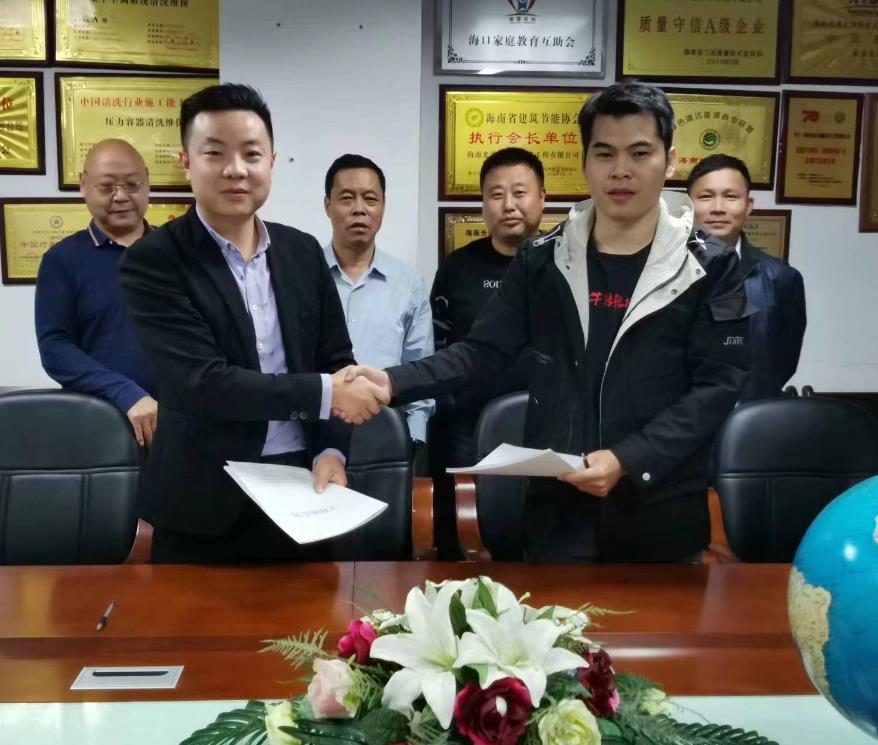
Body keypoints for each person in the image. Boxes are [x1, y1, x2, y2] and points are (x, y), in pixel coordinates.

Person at [344, 81, 751, 563]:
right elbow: (481, 351)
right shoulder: (544, 259)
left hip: (659, 510)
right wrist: (393, 381)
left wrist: (629, 458)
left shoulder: (710, 267)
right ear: (585, 162)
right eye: (604, 153)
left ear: (671, 161)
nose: (620, 170)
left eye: (640, 153)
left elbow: (717, 388)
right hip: (558, 510)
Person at [119, 84, 388, 563]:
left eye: (251, 153)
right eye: (215, 153)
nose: (236, 169)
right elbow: (203, 382)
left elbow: (335, 359)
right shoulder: (154, 260)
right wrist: (326, 392)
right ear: (186, 162)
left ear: (272, 161)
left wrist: (331, 452)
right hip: (203, 502)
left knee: (313, 614)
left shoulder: (302, 251)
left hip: (305, 491)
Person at [35, 139, 158, 447]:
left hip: (179, 425)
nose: (121, 196)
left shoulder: (177, 253)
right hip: (101, 425)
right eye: (106, 187)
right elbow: (55, 348)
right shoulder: (62, 260)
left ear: (147, 182)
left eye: (132, 184)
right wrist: (124, 392)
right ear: (83, 186)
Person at [430, 147, 545, 467]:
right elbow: (438, 342)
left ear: (541, 198)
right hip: (470, 423)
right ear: (483, 203)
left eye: (519, 193)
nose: (508, 205)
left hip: (549, 420)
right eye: (496, 194)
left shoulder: (565, 261)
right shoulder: (458, 266)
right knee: (465, 497)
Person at [322, 154, 434, 449]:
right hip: (314, 434)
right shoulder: (302, 275)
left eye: (370, 199)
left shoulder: (409, 284)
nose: (359, 209)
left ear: (383, 206)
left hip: (386, 437)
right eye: (347, 198)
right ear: (328, 206)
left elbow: (420, 368)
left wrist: (413, 440)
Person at [687, 154, 806, 401]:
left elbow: (781, 363)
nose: (718, 208)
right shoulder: (658, 270)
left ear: (748, 206)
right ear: (688, 205)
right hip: (673, 419)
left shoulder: (781, 279)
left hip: (749, 416)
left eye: (731, 197)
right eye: (706, 197)